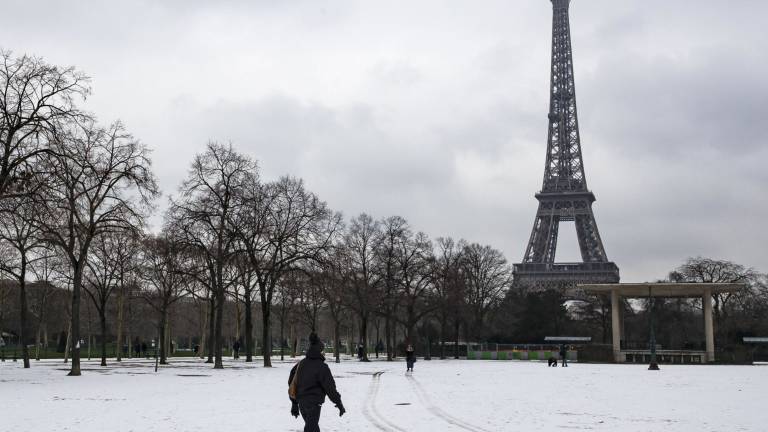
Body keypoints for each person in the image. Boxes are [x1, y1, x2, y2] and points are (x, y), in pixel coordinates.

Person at [288, 333, 345, 432]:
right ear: (319, 351)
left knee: (312, 428)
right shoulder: (322, 367)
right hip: (314, 404)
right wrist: (338, 403)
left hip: (302, 403)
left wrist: (294, 403)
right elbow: (330, 388)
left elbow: (292, 383)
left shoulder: (300, 364)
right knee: (311, 428)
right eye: (322, 351)